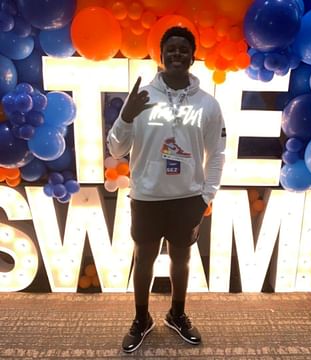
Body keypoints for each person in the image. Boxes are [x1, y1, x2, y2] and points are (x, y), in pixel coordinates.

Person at [107, 26, 226, 353]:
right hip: (147, 197)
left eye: (183, 49)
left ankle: (177, 314)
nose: (176, 54)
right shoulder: (142, 97)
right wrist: (126, 118)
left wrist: (206, 196)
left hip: (188, 198)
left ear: (192, 56)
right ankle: (142, 318)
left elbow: (217, 152)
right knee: (143, 259)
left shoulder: (207, 104)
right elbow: (116, 150)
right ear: (161, 56)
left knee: (181, 259)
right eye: (170, 49)